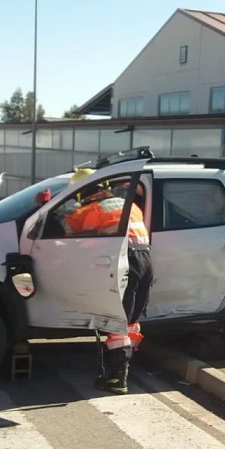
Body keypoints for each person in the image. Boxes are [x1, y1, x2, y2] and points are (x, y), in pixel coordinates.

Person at [64, 169, 152, 395]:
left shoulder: (91, 209)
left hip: (127, 262)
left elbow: (66, 231)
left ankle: (117, 378)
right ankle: (126, 368)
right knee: (130, 320)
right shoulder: (128, 205)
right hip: (145, 260)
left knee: (117, 322)